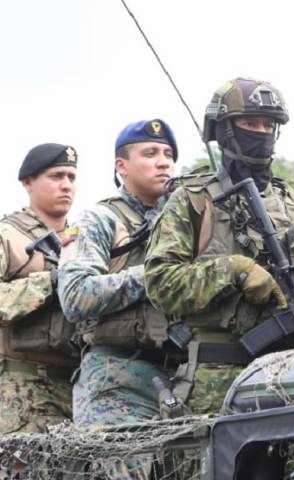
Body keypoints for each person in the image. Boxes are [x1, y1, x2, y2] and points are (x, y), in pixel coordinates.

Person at [144, 77, 294, 414]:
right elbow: (159, 283)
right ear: (224, 130)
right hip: (216, 382)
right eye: (251, 123)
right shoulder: (193, 201)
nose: (261, 133)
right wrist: (233, 269)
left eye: (269, 125)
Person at [58, 119, 178, 426]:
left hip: (178, 376)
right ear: (121, 166)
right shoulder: (99, 219)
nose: (163, 162)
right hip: (116, 382)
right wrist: (156, 274)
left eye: (168, 154)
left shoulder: (183, 221)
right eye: (150, 153)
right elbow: (75, 297)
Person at [0, 143, 78, 433]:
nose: (66, 185)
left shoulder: (85, 238)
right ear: (28, 182)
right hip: (22, 388)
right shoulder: (8, 236)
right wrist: (51, 282)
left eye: (71, 177)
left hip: (79, 385)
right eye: (56, 176)